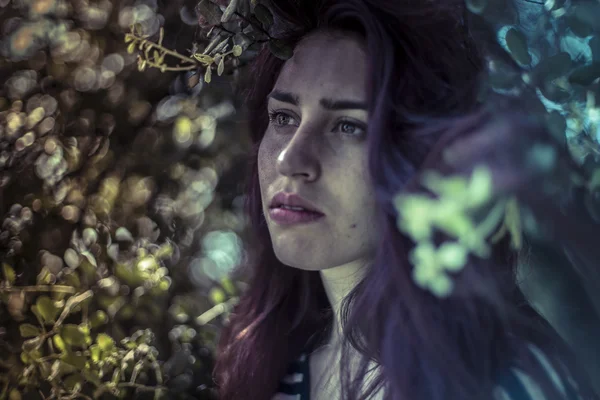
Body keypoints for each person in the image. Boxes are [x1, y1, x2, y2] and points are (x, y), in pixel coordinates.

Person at [212, 0, 600, 399]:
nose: (289, 159)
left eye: (347, 126)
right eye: (283, 118)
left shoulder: (502, 381)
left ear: (420, 154)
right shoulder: (270, 375)